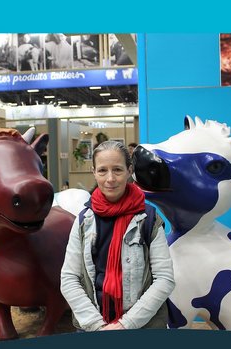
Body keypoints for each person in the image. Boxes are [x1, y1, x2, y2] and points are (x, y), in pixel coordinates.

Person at [60, 140, 175, 331]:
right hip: (93, 327)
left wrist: (125, 324)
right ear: (94, 172)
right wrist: (97, 325)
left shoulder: (149, 219)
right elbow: (69, 278)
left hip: (142, 327)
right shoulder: (83, 220)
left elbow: (164, 279)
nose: (110, 178)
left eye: (118, 170)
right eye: (102, 170)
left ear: (129, 170)